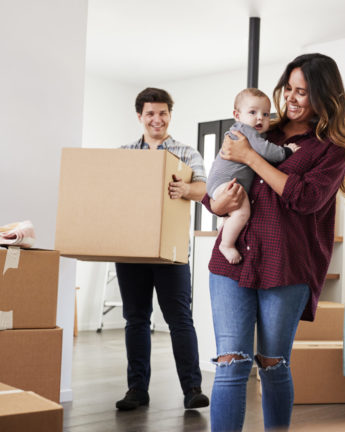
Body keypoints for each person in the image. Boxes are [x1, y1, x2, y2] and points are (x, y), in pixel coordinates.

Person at [201, 53, 345, 431]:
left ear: (325, 97)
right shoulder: (258, 129)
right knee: (230, 363)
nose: (290, 97)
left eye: (302, 92)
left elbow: (305, 198)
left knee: (273, 364)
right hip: (232, 263)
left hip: (286, 268)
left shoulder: (333, 149)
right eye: (288, 88)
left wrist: (252, 159)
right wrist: (215, 203)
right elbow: (219, 185)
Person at [114, 87, 210, 411]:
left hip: (171, 252)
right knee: (136, 319)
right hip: (131, 250)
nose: (157, 119)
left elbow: (204, 189)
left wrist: (186, 188)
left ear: (170, 114)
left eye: (163, 112)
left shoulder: (185, 152)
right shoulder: (124, 153)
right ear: (140, 116)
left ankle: (192, 389)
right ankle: (137, 390)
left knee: (180, 318)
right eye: (150, 113)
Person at [206, 88, 300, 264]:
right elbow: (265, 150)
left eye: (265, 114)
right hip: (225, 182)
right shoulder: (245, 131)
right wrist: (287, 151)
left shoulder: (243, 131)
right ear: (237, 115)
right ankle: (226, 244)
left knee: (235, 210)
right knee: (242, 211)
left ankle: (226, 225)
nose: (260, 118)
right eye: (252, 112)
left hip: (219, 182)